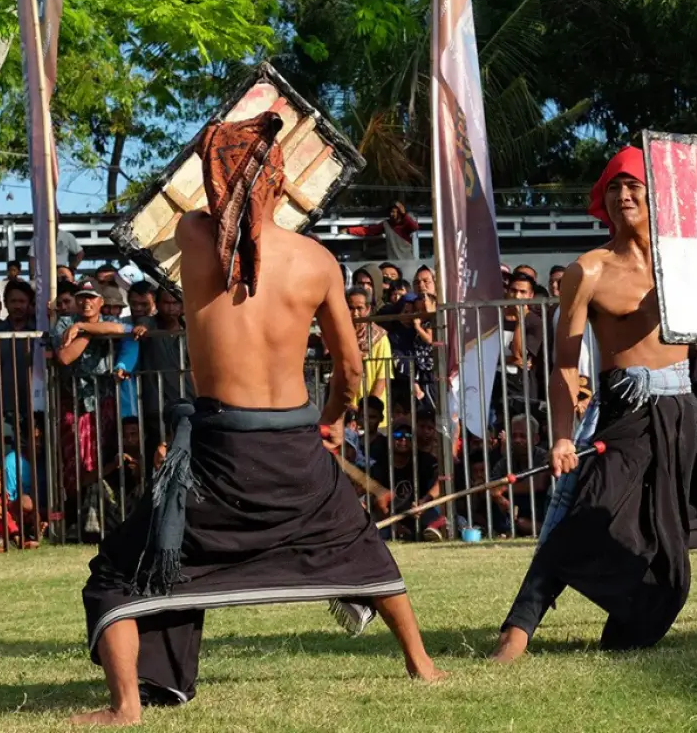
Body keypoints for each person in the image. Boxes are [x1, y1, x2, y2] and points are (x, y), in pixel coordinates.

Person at [74, 114, 444, 726]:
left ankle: (127, 707)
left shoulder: (194, 236)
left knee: (118, 570)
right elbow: (351, 373)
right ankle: (421, 663)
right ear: (278, 184)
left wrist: (226, 166)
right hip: (293, 441)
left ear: (218, 183)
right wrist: (325, 423)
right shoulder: (317, 260)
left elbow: (188, 202)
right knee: (359, 545)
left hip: (221, 449)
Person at [490, 147, 697, 662]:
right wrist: (562, 435)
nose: (623, 196)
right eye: (614, 187)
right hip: (626, 412)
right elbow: (565, 365)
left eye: (634, 185)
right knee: (588, 516)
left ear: (656, 195)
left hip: (685, 408)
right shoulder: (587, 271)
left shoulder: (685, 262)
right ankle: (517, 631)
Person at [348, 201, 420, 263]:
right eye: (392, 212)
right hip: (393, 262)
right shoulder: (386, 224)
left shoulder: (406, 223)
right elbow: (369, 230)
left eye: (396, 212)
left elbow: (415, 227)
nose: (393, 214)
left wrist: (405, 215)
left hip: (408, 261)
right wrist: (349, 230)